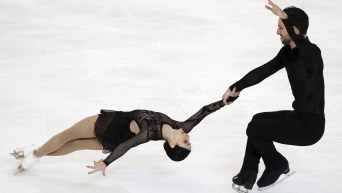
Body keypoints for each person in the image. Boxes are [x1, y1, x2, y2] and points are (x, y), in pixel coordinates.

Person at [222, 0, 325, 192]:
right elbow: (265, 70)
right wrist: (237, 87)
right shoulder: (288, 53)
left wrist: (286, 19)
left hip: (310, 127)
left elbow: (303, 44)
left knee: (255, 129)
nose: (277, 32)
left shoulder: (312, 53)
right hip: (299, 117)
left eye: (281, 27)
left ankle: (277, 165)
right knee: (257, 120)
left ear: (293, 29)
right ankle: (247, 174)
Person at [12, 99, 235, 176]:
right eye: (189, 141)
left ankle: (36, 153)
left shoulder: (149, 132)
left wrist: (106, 162)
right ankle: (35, 154)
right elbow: (205, 111)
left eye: (186, 142)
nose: (188, 137)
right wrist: (224, 101)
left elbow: (127, 146)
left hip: (107, 125)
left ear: (173, 142)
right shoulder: (181, 126)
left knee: (67, 137)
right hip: (112, 139)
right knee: (73, 146)